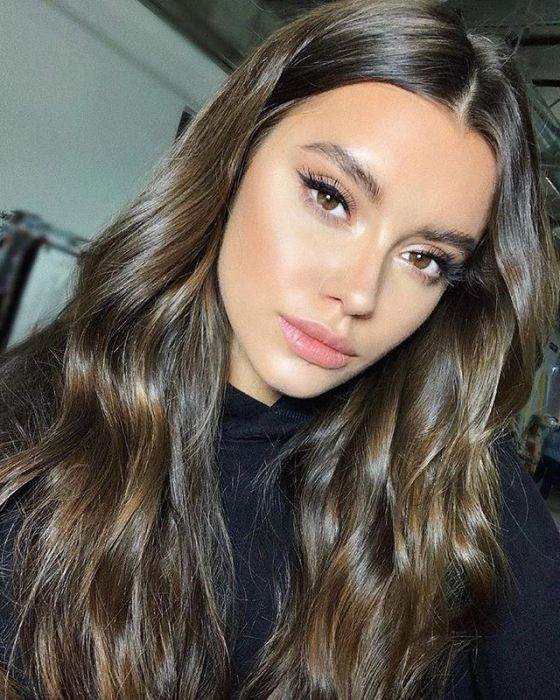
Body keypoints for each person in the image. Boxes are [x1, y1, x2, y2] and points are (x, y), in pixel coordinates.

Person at [0, 0, 559, 698]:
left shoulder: (458, 487)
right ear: (234, 156)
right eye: (330, 197)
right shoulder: (30, 446)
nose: (358, 293)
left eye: (424, 258)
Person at [534, 415, 560, 499]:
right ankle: (542, 496)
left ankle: (530, 487)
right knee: (548, 479)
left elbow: (544, 443)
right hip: (555, 460)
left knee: (538, 474)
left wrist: (541, 455)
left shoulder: (552, 434)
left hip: (545, 456)